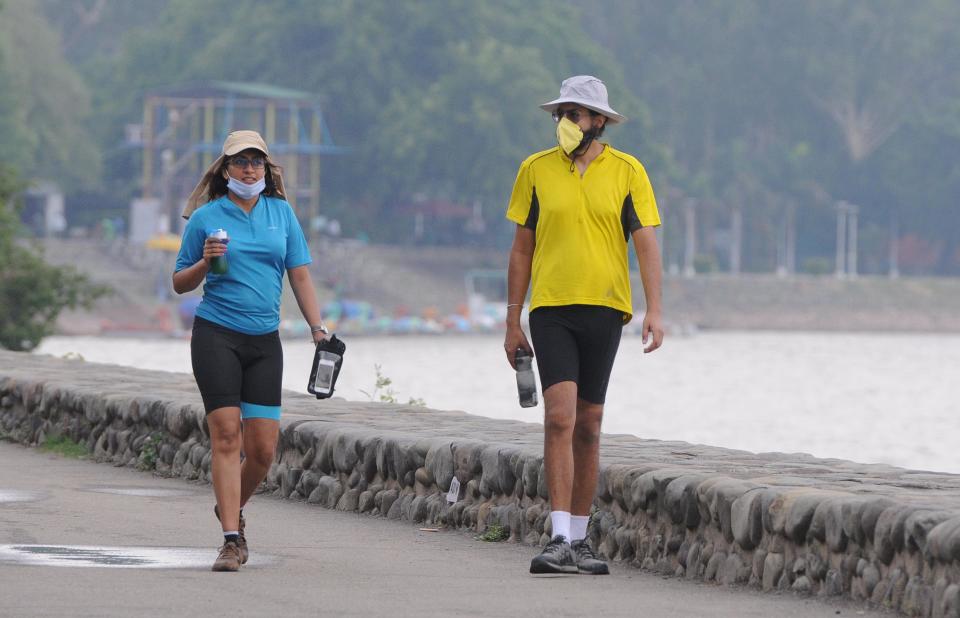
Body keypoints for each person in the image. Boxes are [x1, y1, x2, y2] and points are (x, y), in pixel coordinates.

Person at [503, 76, 664, 575]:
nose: (568, 123)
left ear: (599, 121)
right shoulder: (535, 170)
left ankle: (580, 535)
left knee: (589, 427)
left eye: (577, 114)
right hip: (551, 309)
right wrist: (512, 321)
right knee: (559, 417)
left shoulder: (627, 171)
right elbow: (521, 248)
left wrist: (655, 309)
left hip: (605, 309)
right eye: (563, 114)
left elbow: (646, 242)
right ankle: (556, 537)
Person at [173, 130, 329, 572]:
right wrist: (205, 261)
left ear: (266, 170)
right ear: (225, 170)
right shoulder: (206, 217)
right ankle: (230, 539)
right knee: (225, 436)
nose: (249, 168)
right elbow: (179, 281)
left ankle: (229, 507)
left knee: (262, 450)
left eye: (256, 162)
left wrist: (318, 329)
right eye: (240, 161)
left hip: (264, 340)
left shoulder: (281, 213)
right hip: (216, 334)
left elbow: (299, 276)